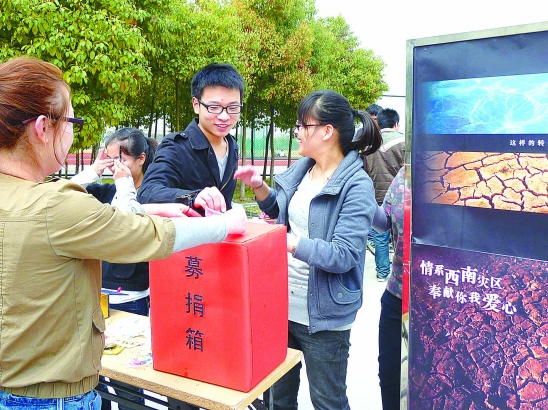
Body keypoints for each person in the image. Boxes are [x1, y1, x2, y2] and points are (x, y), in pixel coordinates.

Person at [0, 56, 246, 409]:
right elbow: (144, 234)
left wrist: (151, 209)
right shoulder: (57, 204)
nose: (224, 115)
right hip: (50, 396)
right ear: (42, 127)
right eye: (72, 121)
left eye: (232, 107)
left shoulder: (25, 197)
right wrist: (225, 224)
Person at [235, 89, 382, 410]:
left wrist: (286, 242)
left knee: (327, 402)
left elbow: (344, 255)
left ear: (327, 131)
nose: (297, 131)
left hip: (324, 316)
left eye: (303, 125)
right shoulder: (303, 170)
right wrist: (259, 186)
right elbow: (281, 212)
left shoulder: (356, 185)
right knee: (278, 398)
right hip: (280, 307)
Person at [138, 62, 244, 214]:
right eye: (214, 107)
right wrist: (193, 197)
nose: (224, 116)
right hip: (186, 228)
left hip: (224, 228)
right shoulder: (176, 147)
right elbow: (147, 192)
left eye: (233, 108)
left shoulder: (232, 145)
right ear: (196, 104)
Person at [372, 166, 405, 410]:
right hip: (397, 295)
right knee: (391, 378)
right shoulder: (407, 172)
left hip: (444, 301)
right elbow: (384, 222)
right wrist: (363, 198)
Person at [363, 108, 405, 281]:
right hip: (400, 197)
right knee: (402, 235)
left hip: (376, 196)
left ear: (379, 123)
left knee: (380, 236)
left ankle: (382, 272)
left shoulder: (368, 144)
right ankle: (401, 273)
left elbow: (365, 171)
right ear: (396, 123)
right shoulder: (404, 142)